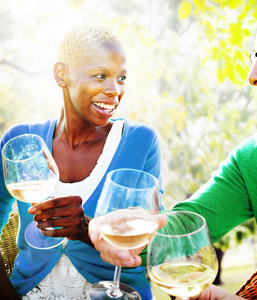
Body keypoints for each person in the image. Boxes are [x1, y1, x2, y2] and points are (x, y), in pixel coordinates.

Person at [89, 1, 257, 299]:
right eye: (255, 58)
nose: (252, 75)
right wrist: (147, 224)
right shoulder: (256, 158)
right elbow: (186, 225)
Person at [0, 25, 163, 300]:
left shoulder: (140, 141)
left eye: (121, 78)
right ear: (61, 75)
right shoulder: (20, 141)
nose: (115, 90)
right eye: (101, 76)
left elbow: (152, 238)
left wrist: (87, 228)